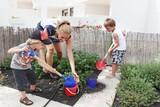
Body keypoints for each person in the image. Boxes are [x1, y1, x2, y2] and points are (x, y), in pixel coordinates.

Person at [8, 30, 62, 106]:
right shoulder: (25, 46)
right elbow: (10, 50)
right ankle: (23, 98)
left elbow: (41, 62)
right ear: (35, 42)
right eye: (42, 44)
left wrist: (52, 70)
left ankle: (32, 89)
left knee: (33, 78)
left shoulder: (37, 51)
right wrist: (21, 50)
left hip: (27, 66)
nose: (44, 46)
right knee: (21, 82)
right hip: (17, 67)